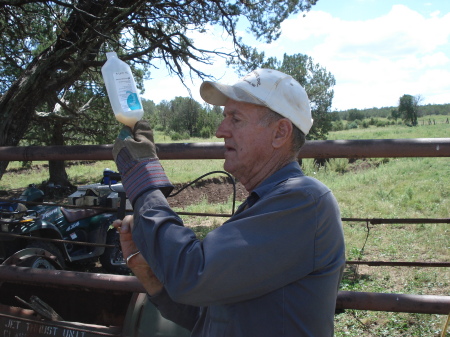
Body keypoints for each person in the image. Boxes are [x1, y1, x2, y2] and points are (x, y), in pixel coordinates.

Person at [112, 68, 346, 337]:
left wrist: (142, 175)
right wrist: (148, 273)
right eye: (224, 118)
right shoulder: (264, 203)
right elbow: (208, 317)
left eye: (235, 119)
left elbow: (192, 274)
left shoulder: (305, 202)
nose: (220, 131)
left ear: (280, 133)